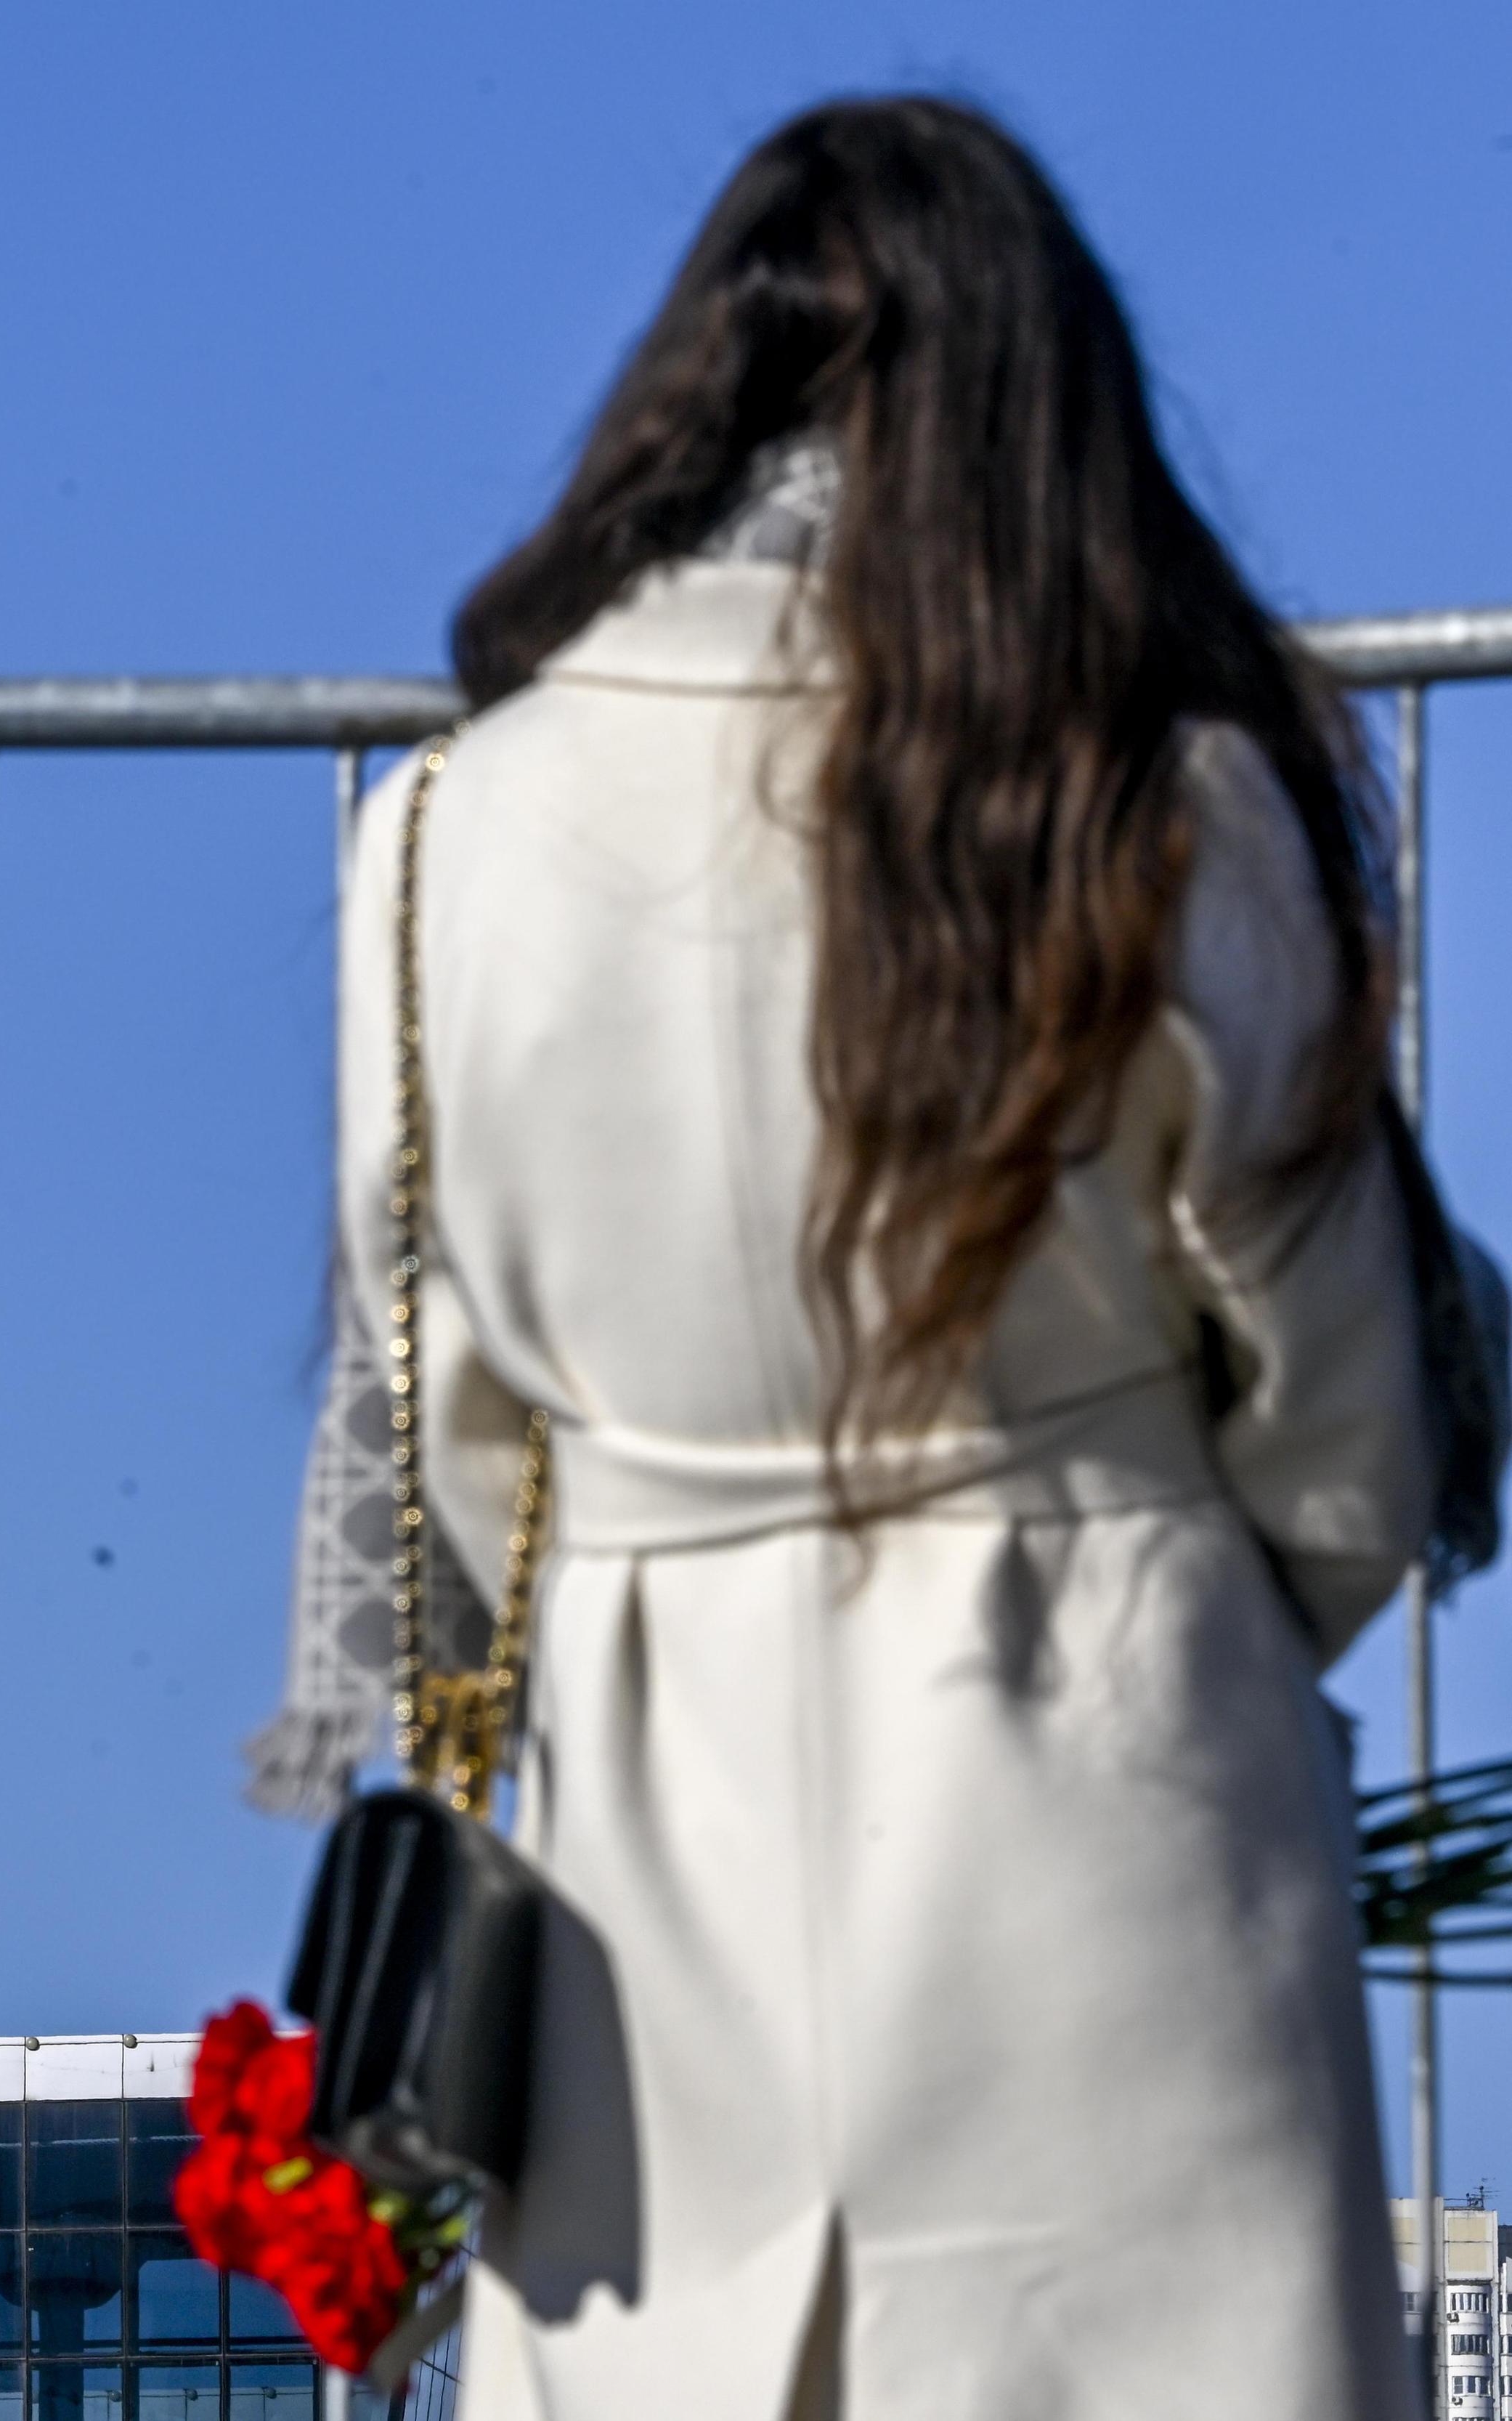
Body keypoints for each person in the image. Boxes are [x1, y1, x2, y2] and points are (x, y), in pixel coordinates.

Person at [328, 97, 1434, 2418]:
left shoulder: (444, 831)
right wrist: (1203, 1615)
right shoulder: (1155, 795)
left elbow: (454, 1430)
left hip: (653, 1819)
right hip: (1112, 1757)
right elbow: (1346, 1418)